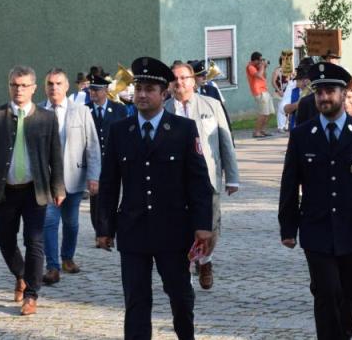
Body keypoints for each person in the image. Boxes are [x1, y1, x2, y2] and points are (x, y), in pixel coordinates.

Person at [97, 57, 214, 340]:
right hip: (133, 229)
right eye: (139, 88)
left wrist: (202, 225)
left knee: (180, 295)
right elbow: (109, 183)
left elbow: (199, 182)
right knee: (136, 299)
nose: (142, 95)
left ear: (164, 94)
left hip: (172, 229)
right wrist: (104, 227)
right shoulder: (120, 131)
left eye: (150, 89)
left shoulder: (183, 130)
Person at [278, 62, 352, 340]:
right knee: (326, 293)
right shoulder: (302, 135)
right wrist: (288, 228)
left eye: (329, 92)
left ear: (343, 94)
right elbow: (289, 184)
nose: (324, 98)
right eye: (319, 92)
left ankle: (344, 332)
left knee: (351, 292)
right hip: (316, 228)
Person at [0, 66, 65, 316]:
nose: (19, 90)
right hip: (6, 190)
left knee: (34, 241)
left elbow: (55, 156)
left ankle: (31, 295)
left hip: (35, 190)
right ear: (9, 86)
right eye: (15, 85)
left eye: (24, 85)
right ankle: (21, 274)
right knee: (5, 240)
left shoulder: (46, 117)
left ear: (34, 88)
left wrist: (58, 187)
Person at [165, 61, 240, 290]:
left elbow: (225, 141)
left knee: (211, 226)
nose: (179, 82)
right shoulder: (164, 109)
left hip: (208, 177)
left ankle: (205, 261)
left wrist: (232, 176)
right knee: (180, 228)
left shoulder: (211, 105)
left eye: (184, 78)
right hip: (175, 180)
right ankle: (185, 271)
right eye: (175, 78)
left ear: (193, 81)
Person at [39, 69, 101, 284]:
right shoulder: (38, 111)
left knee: (71, 223)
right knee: (49, 222)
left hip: (73, 177)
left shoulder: (81, 111)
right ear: (45, 87)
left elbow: (92, 146)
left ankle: (67, 258)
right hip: (47, 180)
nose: (54, 87)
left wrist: (94, 176)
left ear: (66, 86)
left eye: (58, 83)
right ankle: (52, 266)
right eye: (50, 83)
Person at [86, 70, 128, 247]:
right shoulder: (85, 110)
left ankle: (110, 230)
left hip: (114, 160)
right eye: (91, 89)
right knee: (96, 199)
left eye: (96, 90)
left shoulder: (119, 109)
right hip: (95, 161)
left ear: (105, 90)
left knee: (113, 196)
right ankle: (100, 232)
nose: (93, 93)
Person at [246, 51, 273, 138]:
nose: (261, 62)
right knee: (263, 113)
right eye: (260, 60)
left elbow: (263, 76)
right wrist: (262, 67)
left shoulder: (258, 67)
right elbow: (258, 75)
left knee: (269, 113)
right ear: (255, 60)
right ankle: (256, 132)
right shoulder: (250, 67)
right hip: (259, 92)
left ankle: (262, 130)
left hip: (265, 91)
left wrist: (264, 68)